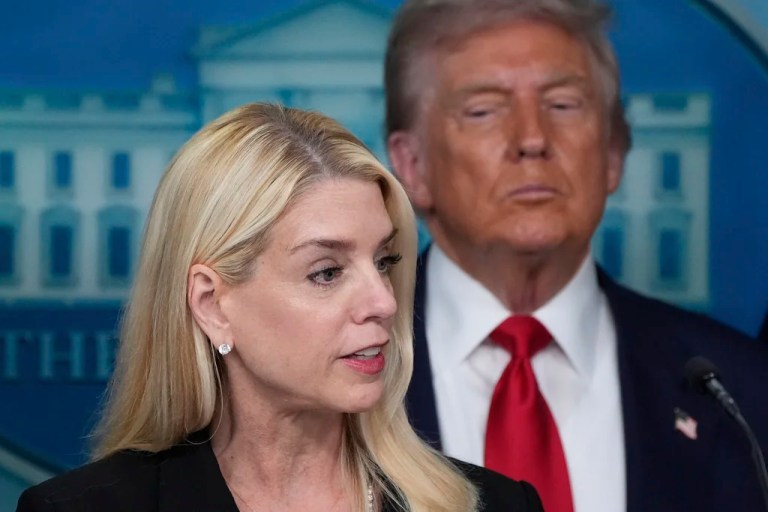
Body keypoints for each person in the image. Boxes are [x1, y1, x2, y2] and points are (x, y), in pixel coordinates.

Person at [16, 104, 543, 512]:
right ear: (212, 305)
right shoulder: (81, 510)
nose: (383, 301)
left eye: (384, 261)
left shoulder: (498, 505)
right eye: (327, 272)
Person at [384, 1, 768, 512]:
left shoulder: (741, 389)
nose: (533, 138)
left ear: (614, 152)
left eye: (563, 104)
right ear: (412, 166)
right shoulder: (334, 376)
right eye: (483, 110)